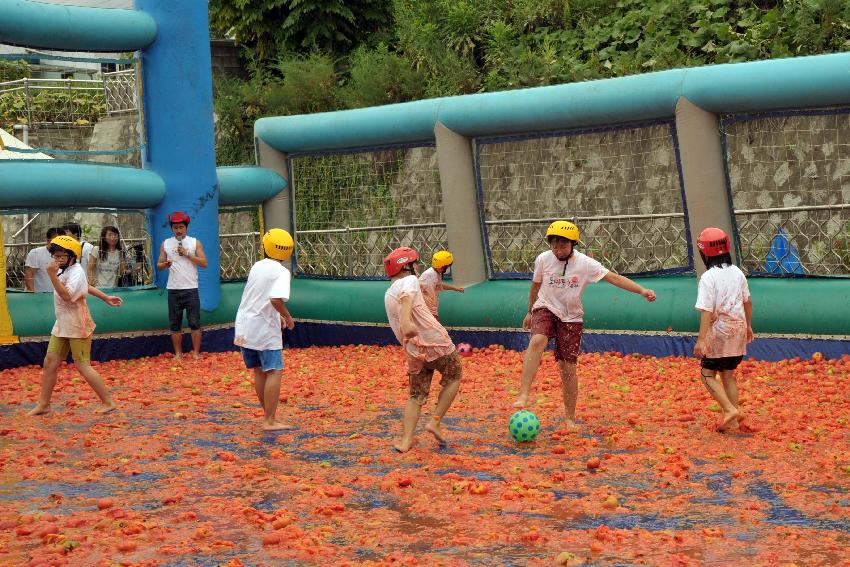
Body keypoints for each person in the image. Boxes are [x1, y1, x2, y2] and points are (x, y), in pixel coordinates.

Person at [512, 221, 657, 430]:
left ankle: (570, 417)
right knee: (538, 340)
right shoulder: (543, 259)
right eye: (554, 244)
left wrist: (641, 290)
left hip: (571, 317)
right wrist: (529, 311)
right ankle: (524, 394)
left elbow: (614, 278)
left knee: (567, 368)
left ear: (573, 244)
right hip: (545, 307)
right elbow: (535, 286)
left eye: (562, 245)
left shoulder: (585, 264)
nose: (557, 249)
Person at [28, 235, 122, 416]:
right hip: (63, 323)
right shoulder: (66, 270)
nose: (58, 259)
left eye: (62, 256)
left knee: (82, 365)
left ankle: (108, 401)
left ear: (72, 257)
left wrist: (51, 275)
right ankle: (44, 404)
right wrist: (105, 297)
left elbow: (67, 295)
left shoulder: (76, 271)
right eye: (55, 256)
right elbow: (86, 287)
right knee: (50, 362)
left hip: (78, 324)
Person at [383, 246, 462, 453]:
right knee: (454, 376)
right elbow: (407, 298)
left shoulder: (387, 294)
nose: (417, 266)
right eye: (414, 263)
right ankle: (434, 421)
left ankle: (406, 440)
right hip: (435, 342)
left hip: (414, 351)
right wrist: (408, 322)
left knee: (415, 396)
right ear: (406, 266)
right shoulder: (409, 280)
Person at [234, 229, 296, 431]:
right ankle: (270, 419)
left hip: (245, 324)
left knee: (259, 370)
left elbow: (259, 295)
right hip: (263, 327)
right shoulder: (281, 272)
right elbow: (275, 299)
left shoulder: (257, 265)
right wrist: (286, 316)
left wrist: (277, 314)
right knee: (274, 370)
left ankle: (268, 416)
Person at [693, 227, 753, 432]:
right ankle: (733, 422)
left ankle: (729, 410)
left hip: (720, 331)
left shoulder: (708, 277)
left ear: (703, 253)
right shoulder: (738, 273)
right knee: (728, 375)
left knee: (707, 373)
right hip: (738, 328)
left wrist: (701, 340)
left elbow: (706, 311)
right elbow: (748, 302)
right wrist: (749, 326)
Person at [156, 211, 208, 360]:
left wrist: (187, 254)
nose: (178, 230)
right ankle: (178, 354)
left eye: (181, 227)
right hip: (173, 289)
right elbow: (159, 265)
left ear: (186, 227)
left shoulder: (194, 242)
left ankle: (196, 353)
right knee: (175, 323)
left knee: (194, 322)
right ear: (172, 228)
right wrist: (165, 264)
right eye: (175, 227)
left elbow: (204, 263)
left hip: (191, 288)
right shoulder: (165, 243)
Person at [419, 250, 465, 320]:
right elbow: (427, 296)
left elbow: (439, 285)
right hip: (425, 310)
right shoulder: (430, 275)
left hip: (427, 310)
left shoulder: (435, 273)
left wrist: (456, 288)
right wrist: (433, 314)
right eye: (447, 266)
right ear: (443, 266)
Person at [25, 227, 62, 292]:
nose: (60, 244)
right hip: (39, 296)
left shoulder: (66, 256)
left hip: (57, 296)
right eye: (57, 241)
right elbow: (29, 274)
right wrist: (31, 293)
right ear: (48, 240)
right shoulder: (36, 253)